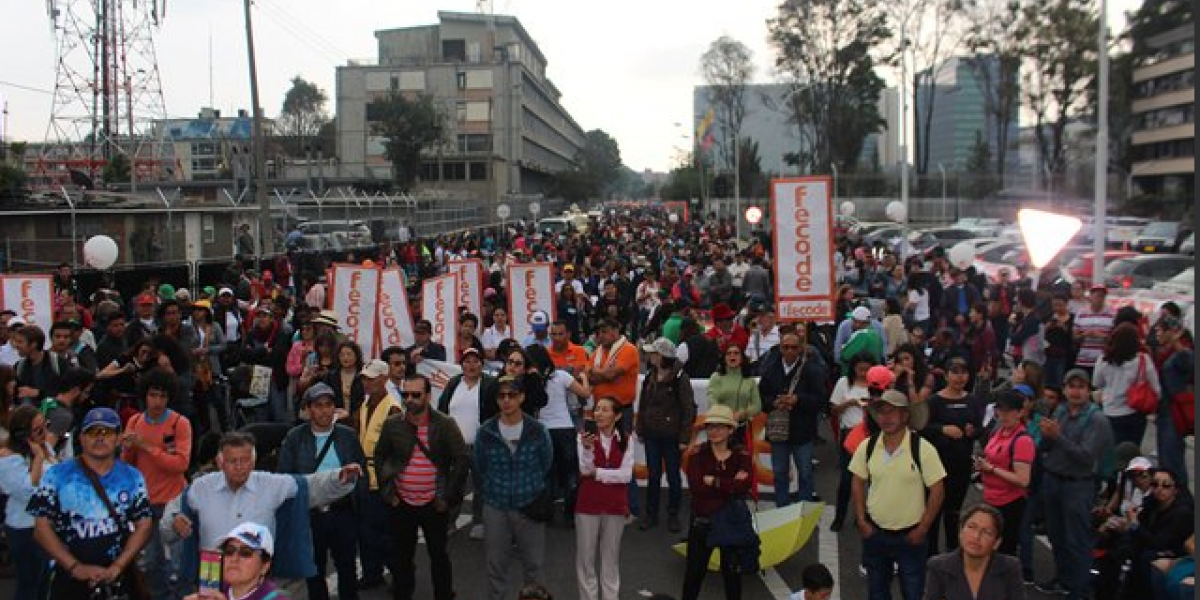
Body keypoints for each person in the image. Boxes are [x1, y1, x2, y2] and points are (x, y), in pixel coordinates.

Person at [161, 431, 361, 595]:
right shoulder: (201, 487)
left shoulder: (270, 484)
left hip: (255, 580)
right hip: (212, 577)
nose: (239, 467)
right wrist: (174, 521)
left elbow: (309, 486)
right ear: (220, 462)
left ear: (254, 461)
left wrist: (339, 477)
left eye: (245, 460)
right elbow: (171, 517)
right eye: (232, 461)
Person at [29, 407, 154, 600]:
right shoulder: (57, 475)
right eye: (92, 432)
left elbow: (144, 525)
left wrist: (118, 566)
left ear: (119, 437)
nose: (100, 438)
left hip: (119, 581)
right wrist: (75, 567)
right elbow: (41, 528)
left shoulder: (132, 477)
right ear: (81, 437)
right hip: (68, 579)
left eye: (107, 432)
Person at [375, 373, 471, 600]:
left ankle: (444, 594)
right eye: (405, 394)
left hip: (434, 503)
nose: (409, 399)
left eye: (416, 395)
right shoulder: (392, 425)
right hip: (402, 503)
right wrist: (390, 494)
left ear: (428, 396)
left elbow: (461, 459)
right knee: (402, 557)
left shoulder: (445, 424)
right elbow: (380, 457)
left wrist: (447, 497)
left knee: (438, 555)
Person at [850, 390, 947, 600]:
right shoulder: (868, 446)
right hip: (875, 533)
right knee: (877, 593)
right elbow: (857, 480)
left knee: (913, 593)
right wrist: (861, 520)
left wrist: (923, 529)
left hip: (911, 536)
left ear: (905, 416)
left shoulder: (923, 449)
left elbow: (938, 490)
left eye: (892, 412)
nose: (886, 418)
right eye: (882, 412)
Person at [276, 382, 367, 600]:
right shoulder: (294, 438)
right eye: (318, 405)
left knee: (347, 569)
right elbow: (285, 478)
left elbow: (361, 471)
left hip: (342, 511)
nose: (324, 410)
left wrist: (359, 509)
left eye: (328, 405)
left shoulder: (347, 436)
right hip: (310, 514)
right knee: (314, 571)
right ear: (308, 409)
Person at [1034, 368, 1113, 599]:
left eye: (1081, 387)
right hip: (1053, 479)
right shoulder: (1060, 411)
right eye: (1071, 386)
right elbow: (1047, 448)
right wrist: (1045, 438)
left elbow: (1087, 457)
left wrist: (1057, 436)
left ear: (1089, 390)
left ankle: (1081, 590)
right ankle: (1063, 577)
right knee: (1056, 535)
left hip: (1077, 485)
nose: (1076, 392)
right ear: (1065, 390)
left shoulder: (1097, 419)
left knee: (1077, 540)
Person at [474, 375, 553, 600]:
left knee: (534, 567)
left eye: (512, 395)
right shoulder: (486, 432)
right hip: (495, 506)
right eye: (501, 396)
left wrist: (528, 487)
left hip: (529, 504)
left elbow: (546, 464)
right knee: (495, 568)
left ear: (522, 397)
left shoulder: (538, 430)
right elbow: (480, 467)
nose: (507, 400)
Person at [121, 368, 193, 600]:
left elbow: (180, 464)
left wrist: (147, 447)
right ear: (145, 395)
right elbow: (127, 465)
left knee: (180, 561)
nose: (157, 402)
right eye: (153, 395)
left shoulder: (180, 424)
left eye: (163, 396)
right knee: (151, 561)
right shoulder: (134, 421)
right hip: (145, 502)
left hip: (173, 501)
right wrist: (128, 447)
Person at [680, 405, 753, 600]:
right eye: (711, 427)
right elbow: (697, 488)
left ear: (731, 430)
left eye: (720, 427)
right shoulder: (697, 454)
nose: (714, 431)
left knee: (732, 576)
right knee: (694, 575)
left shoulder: (742, 455)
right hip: (702, 523)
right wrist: (730, 485)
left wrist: (715, 481)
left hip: (731, 523)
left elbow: (744, 486)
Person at [575, 396, 635, 600]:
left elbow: (626, 475)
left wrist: (599, 474)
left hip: (615, 505)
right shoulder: (584, 437)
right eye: (597, 409)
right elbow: (585, 469)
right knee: (586, 559)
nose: (598, 413)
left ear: (617, 415)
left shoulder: (627, 438)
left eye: (605, 409)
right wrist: (587, 448)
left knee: (611, 559)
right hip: (587, 505)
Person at [921, 357, 984, 554]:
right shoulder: (934, 401)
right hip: (937, 465)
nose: (960, 377)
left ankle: (952, 550)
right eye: (955, 372)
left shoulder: (972, 400)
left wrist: (973, 431)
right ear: (946, 375)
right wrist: (942, 429)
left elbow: (981, 429)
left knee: (954, 511)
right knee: (933, 510)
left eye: (964, 372)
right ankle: (930, 551)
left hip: (961, 465)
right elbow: (921, 428)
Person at [759, 332, 828, 506]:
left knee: (805, 472)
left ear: (801, 349)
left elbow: (821, 400)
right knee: (780, 472)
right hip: (778, 431)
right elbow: (761, 397)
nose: (789, 351)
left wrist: (798, 400)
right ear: (780, 348)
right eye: (785, 347)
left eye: (794, 347)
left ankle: (804, 508)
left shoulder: (812, 370)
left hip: (802, 431)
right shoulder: (770, 368)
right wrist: (774, 402)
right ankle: (782, 507)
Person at [353, 358, 403, 589]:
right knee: (365, 529)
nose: (367, 383)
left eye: (371, 379)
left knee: (385, 531)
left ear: (383, 380)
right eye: (365, 379)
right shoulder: (365, 405)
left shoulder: (392, 407)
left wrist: (391, 478)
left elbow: (399, 448)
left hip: (383, 476)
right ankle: (372, 572)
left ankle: (398, 573)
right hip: (364, 475)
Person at [636, 337, 695, 532]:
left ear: (661, 356)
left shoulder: (680, 378)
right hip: (652, 434)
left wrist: (684, 438)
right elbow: (643, 404)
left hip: (671, 436)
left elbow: (688, 410)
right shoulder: (650, 376)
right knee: (653, 475)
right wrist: (641, 428)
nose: (650, 355)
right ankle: (651, 514)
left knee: (673, 476)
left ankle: (673, 514)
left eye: (653, 352)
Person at [528, 344, 592, 525]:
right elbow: (585, 394)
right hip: (564, 428)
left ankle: (546, 514)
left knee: (546, 473)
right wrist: (585, 378)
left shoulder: (532, 379)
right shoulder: (562, 376)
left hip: (543, 430)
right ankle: (570, 515)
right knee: (570, 474)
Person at [0, 406, 53, 600]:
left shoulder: (44, 447)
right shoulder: (8, 459)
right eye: (39, 430)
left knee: (44, 581)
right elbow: (28, 492)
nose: (45, 433)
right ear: (23, 434)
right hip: (24, 529)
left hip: (46, 525)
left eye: (45, 426)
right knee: (28, 585)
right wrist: (38, 459)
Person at [923, 504, 1025, 600]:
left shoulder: (1010, 567)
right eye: (972, 527)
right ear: (960, 531)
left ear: (996, 543)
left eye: (987, 532)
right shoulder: (938, 566)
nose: (976, 536)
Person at [975, 392, 1034, 556]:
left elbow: (1023, 480)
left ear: (1020, 412)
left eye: (1010, 411)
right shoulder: (998, 432)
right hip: (991, 498)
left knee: (1004, 548)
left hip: (1009, 503)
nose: (1004, 415)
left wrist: (992, 469)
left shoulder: (1022, 440)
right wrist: (982, 466)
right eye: (1001, 410)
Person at [182, 522, 291, 600]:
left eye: (246, 553)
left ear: (265, 566)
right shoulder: (213, 592)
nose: (234, 559)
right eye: (229, 551)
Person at [1093, 323, 1160, 448]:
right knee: (1132, 450)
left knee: (1113, 451)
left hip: (1111, 410)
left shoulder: (1104, 359)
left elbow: (1096, 383)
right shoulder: (1143, 359)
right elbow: (1156, 388)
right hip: (1135, 412)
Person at [829, 353, 875, 531]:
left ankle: (863, 516)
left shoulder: (876, 384)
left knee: (872, 479)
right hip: (850, 434)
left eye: (867, 370)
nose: (863, 373)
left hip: (871, 434)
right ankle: (840, 517)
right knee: (847, 479)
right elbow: (833, 409)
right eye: (860, 369)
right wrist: (850, 403)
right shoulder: (843, 382)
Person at [1155, 317, 1192, 489]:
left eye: (1160, 330)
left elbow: (1190, 362)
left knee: (1172, 458)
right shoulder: (1166, 352)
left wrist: (1177, 343)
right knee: (1165, 456)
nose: (1157, 334)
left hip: (1173, 412)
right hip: (1164, 410)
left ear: (1172, 332)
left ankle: (1180, 495)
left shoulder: (1180, 354)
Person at [707, 345, 762, 445]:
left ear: (742, 358)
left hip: (741, 428)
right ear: (724, 358)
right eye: (729, 353)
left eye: (736, 353)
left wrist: (743, 413)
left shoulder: (750, 380)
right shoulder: (716, 377)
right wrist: (725, 414)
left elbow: (757, 406)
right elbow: (712, 400)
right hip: (720, 427)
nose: (732, 356)